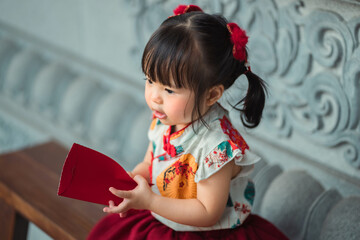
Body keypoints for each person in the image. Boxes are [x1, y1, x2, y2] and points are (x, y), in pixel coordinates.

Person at [87, 4, 288, 240]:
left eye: (169, 90)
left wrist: (150, 200)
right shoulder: (166, 120)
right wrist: (135, 181)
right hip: (162, 215)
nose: (154, 96)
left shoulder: (216, 147)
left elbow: (207, 212)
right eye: (150, 80)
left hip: (208, 233)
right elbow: (150, 162)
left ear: (212, 95)